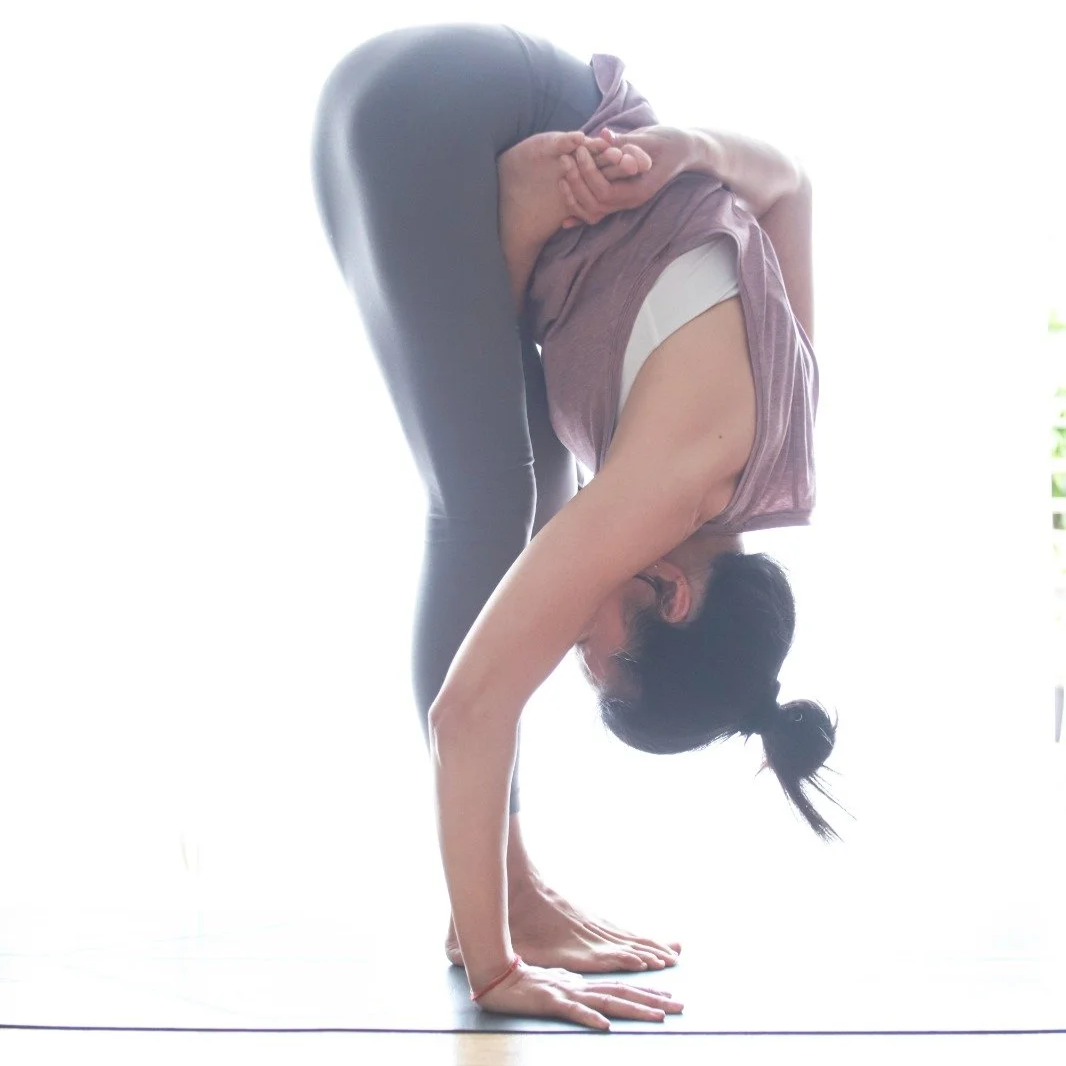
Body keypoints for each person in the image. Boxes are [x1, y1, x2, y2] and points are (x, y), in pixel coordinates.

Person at [310, 22, 848, 1031]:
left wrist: (695, 151)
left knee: (529, 487)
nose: (571, 652)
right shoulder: (670, 487)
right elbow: (467, 711)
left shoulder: (776, 446)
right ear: (670, 592)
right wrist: (497, 973)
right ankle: (493, 915)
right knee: (487, 512)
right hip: (437, 117)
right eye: (598, 657)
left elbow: (785, 192)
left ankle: (517, 230)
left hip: (438, 106)